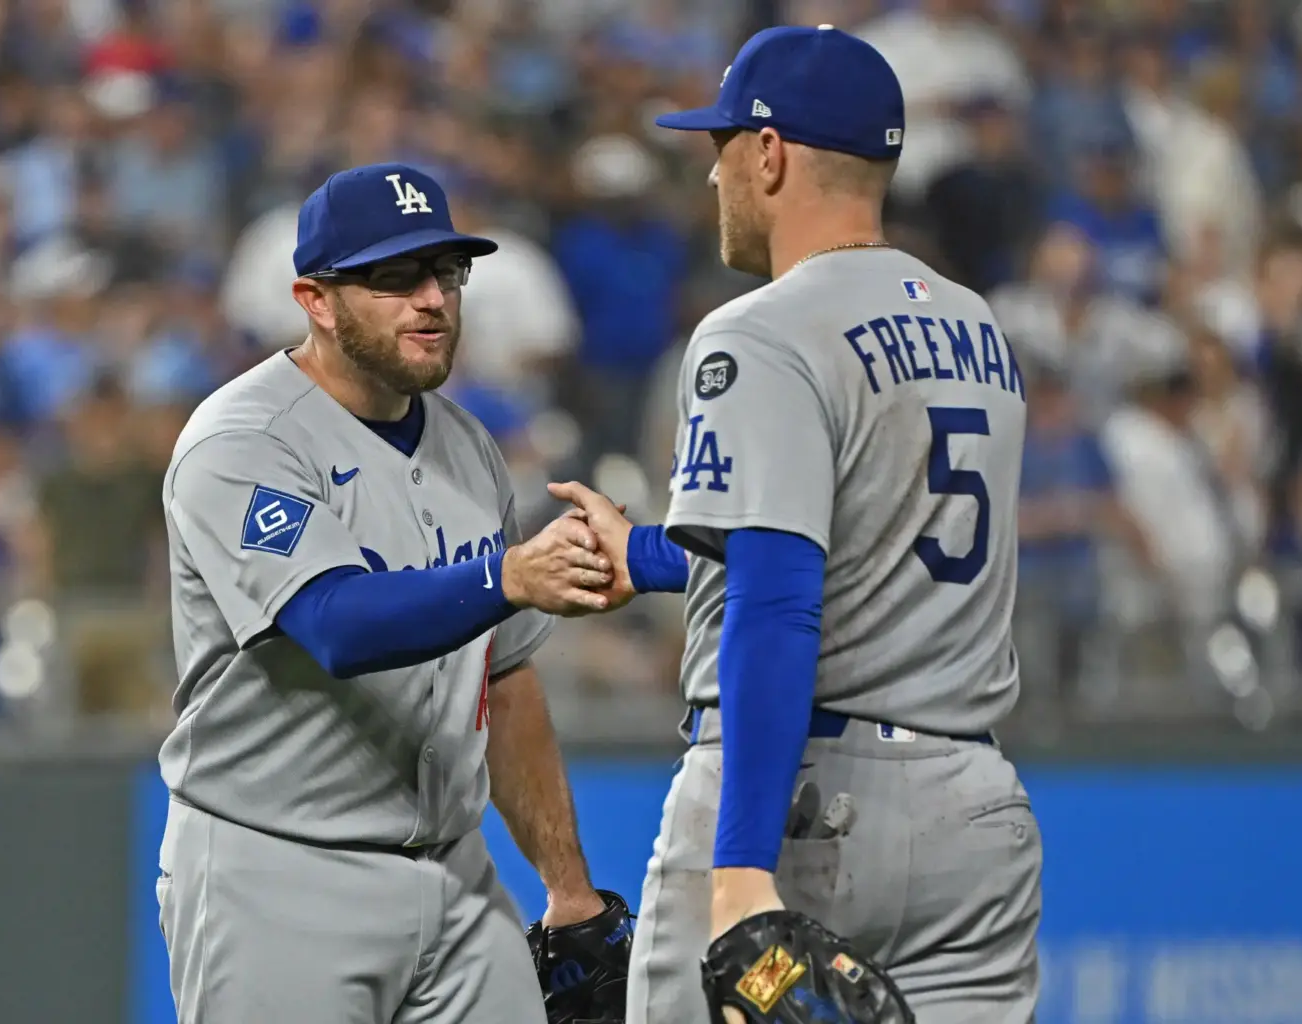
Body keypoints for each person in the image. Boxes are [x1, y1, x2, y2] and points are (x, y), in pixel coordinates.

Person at [555, 26, 1041, 1023]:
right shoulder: (977, 327)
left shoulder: (759, 329)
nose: (714, 178)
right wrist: (646, 553)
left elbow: (777, 601)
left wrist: (740, 868)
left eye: (723, 147)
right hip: (974, 806)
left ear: (770, 153)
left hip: (810, 806)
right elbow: (855, 534)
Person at [154, 162, 629, 1023]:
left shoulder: (468, 444)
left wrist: (568, 888)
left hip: (456, 871)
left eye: (446, 273)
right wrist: (509, 575)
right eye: (394, 278)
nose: (432, 300)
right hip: (278, 871)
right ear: (316, 299)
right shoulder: (243, 440)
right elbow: (335, 624)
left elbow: (506, 679)